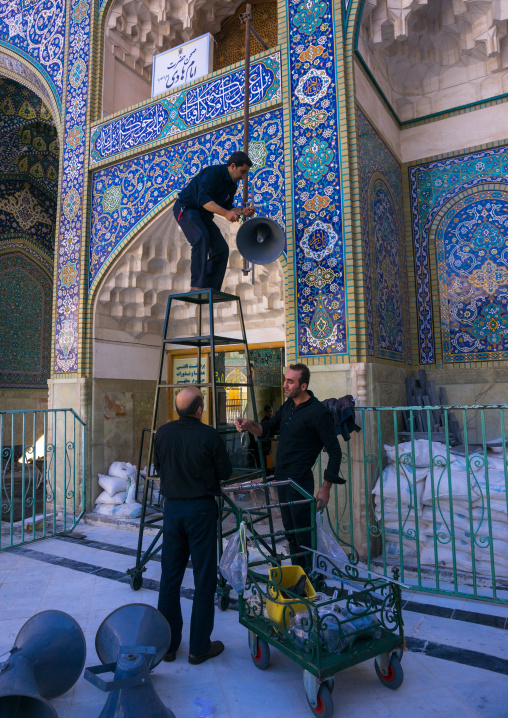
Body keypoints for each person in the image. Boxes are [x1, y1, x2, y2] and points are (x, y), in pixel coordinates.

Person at [235, 364, 344, 568]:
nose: (285, 385)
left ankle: (310, 578)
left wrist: (326, 487)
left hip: (299, 482)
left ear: (303, 386)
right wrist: (249, 424)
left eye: (290, 381)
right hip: (282, 480)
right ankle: (298, 577)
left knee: (303, 537)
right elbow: (265, 429)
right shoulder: (287, 406)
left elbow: (335, 452)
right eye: (285, 380)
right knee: (290, 534)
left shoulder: (318, 413)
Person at [154, 385, 232, 664]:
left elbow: (159, 467)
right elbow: (225, 471)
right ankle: (199, 647)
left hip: (173, 510)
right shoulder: (209, 435)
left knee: (170, 579)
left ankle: (168, 646)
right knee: (204, 579)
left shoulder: (162, 433)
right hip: (200, 510)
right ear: (199, 409)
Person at [174, 151, 255, 291]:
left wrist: (242, 211)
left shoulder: (231, 186)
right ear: (233, 166)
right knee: (200, 237)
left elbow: (227, 206)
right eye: (242, 172)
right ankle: (197, 285)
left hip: (203, 215)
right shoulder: (213, 173)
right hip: (187, 208)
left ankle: (210, 288)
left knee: (221, 249)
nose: (243, 177)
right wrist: (226, 214)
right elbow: (204, 200)